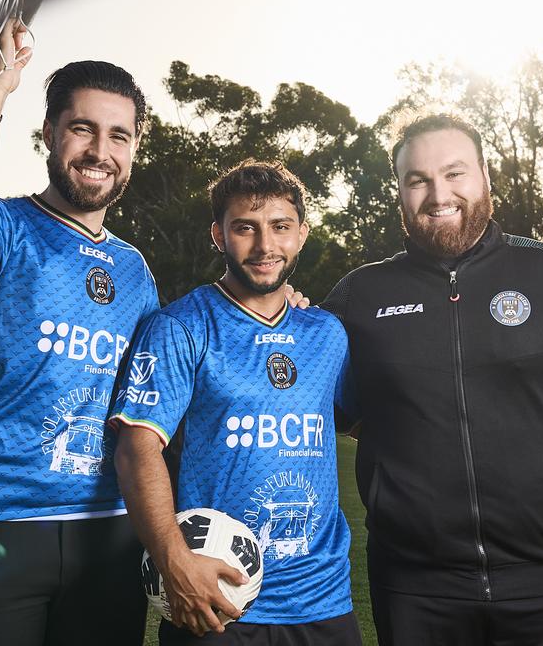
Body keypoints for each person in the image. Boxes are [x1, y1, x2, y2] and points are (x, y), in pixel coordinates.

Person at [322, 115, 543, 645]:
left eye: (455, 173)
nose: (439, 194)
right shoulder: (358, 295)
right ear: (401, 194)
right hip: (414, 586)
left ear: (485, 177)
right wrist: (285, 318)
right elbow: (310, 401)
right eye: (418, 180)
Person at [0, 19, 157, 645]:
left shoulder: (135, 269)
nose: (100, 150)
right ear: (49, 133)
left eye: (118, 136)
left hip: (107, 530)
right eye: (82, 128)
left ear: (132, 150)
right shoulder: (5, 225)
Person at [111, 160, 361, 645]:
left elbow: (363, 426)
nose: (266, 246)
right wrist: (174, 562)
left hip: (324, 600)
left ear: (302, 234)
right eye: (245, 228)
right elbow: (135, 450)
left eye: (280, 227)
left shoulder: (327, 333)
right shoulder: (181, 327)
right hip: (219, 599)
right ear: (218, 235)